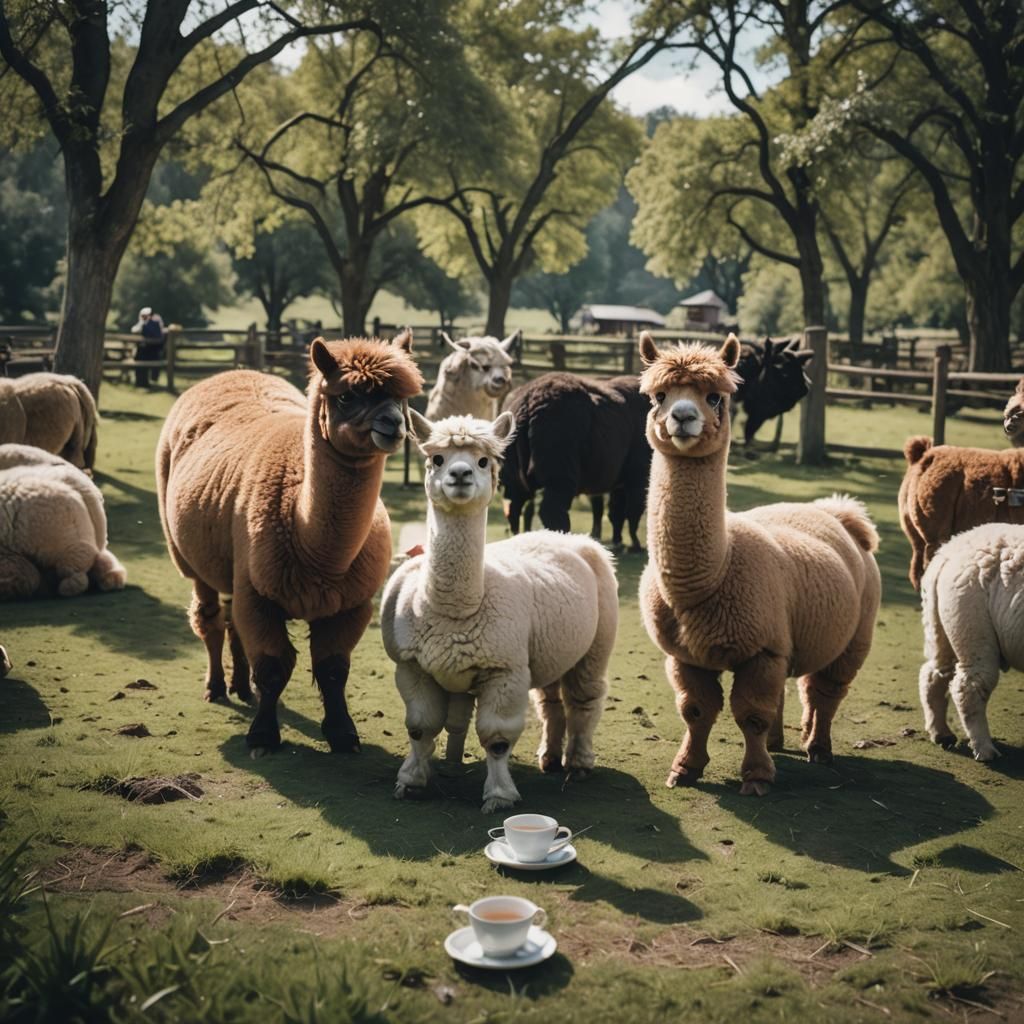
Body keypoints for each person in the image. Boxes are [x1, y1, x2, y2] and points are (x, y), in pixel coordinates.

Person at [131, 306, 166, 387]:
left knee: (140, 357)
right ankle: (141, 382)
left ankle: (143, 382)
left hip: (151, 351)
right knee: (139, 357)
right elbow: (134, 329)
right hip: (148, 351)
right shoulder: (144, 323)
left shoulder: (154, 323)